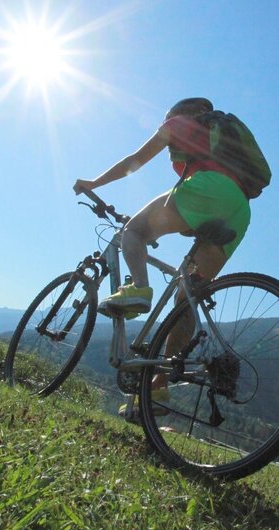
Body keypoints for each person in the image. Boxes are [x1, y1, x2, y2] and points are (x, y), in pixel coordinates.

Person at [73, 97, 256, 417]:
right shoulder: (219, 142)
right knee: (187, 294)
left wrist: (93, 183)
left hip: (208, 190)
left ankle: (140, 289)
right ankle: (158, 387)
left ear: (177, 115)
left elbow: (134, 161)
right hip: (239, 210)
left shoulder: (180, 123)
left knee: (133, 232)